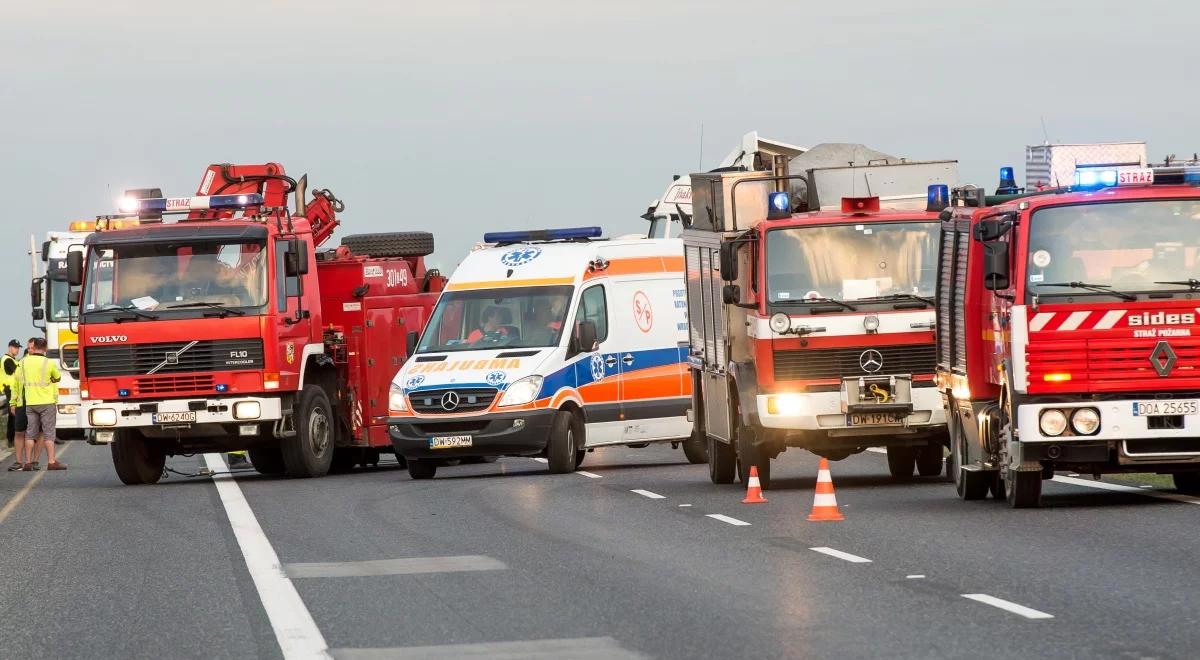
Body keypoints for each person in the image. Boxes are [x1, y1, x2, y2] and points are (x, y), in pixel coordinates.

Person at [12, 337, 66, 471]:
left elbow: (18, 379)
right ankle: (51, 462)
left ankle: (28, 463)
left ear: (33, 347)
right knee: (48, 433)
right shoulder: (49, 362)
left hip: (30, 402)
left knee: (30, 433)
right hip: (47, 402)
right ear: (45, 349)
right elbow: (57, 377)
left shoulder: (23, 362)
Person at [2, 340, 27, 471]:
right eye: (15, 348)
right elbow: (18, 373)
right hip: (10, 390)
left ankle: (11, 439)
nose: (17, 350)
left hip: (14, 390)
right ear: (10, 347)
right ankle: (11, 439)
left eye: (18, 348)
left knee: (13, 417)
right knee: (13, 417)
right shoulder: (7, 360)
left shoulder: (12, 359)